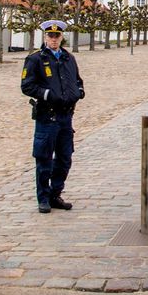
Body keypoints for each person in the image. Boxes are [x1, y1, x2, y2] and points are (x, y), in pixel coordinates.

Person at [21, 20, 85, 213]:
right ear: (45, 37)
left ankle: (55, 193)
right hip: (47, 117)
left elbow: (77, 79)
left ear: (61, 37)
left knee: (65, 158)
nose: (54, 39)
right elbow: (27, 86)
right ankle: (43, 198)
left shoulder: (68, 58)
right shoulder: (35, 59)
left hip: (66, 116)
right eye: (50, 36)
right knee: (44, 159)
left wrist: (79, 91)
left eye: (57, 36)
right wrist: (47, 94)